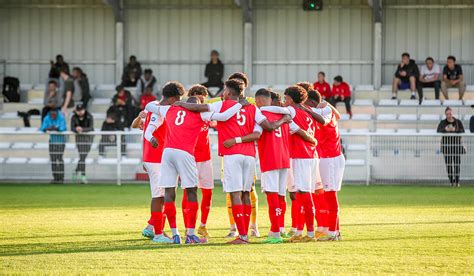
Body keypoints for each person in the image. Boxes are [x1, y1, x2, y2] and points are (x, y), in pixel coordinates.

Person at [178, 79, 290, 244]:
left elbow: (197, 108)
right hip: (250, 155)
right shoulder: (252, 108)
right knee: (246, 194)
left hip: (232, 155)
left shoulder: (221, 105)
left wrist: (179, 104)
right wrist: (284, 119)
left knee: (235, 194)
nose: (223, 93)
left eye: (224, 90)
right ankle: (246, 235)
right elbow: (268, 127)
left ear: (229, 93)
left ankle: (242, 236)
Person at [145, 81, 245, 244]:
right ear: (197, 104)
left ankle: (175, 234)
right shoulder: (201, 113)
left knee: (169, 192)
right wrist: (239, 105)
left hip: (167, 152)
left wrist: (174, 103)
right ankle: (191, 234)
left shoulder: (170, 108)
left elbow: (150, 106)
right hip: (185, 154)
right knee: (191, 191)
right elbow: (224, 116)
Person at [224, 72, 261, 238]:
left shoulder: (225, 104)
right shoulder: (251, 106)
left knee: (242, 192)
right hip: (246, 154)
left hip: (236, 154)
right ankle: (238, 229)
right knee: (241, 193)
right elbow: (263, 126)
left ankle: (248, 230)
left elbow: (205, 110)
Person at [304, 89, 345, 241]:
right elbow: (338, 115)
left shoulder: (326, 113)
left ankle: (333, 233)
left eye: (307, 103)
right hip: (327, 158)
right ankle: (336, 231)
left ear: (312, 103)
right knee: (326, 195)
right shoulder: (326, 109)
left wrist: (307, 108)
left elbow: (324, 119)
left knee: (330, 195)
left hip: (331, 158)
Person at [181, 85, 215, 238]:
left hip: (205, 158)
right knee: (188, 193)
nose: (203, 99)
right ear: (194, 96)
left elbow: (217, 122)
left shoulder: (207, 113)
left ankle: (202, 225)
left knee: (207, 192)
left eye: (204, 96)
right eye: (201, 95)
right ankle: (188, 226)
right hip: (189, 158)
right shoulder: (185, 113)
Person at [437, 107, 465, 187]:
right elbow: (438, 130)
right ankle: (451, 181)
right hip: (446, 147)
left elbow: (462, 131)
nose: (449, 115)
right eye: (447, 114)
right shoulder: (443, 122)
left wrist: (454, 130)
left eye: (450, 114)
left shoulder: (458, 122)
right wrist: (446, 129)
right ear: (445, 115)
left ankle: (457, 181)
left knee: (457, 164)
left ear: (452, 113)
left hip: (457, 146)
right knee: (448, 164)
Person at [40, 109, 67, 184]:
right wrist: (48, 128)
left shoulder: (61, 117)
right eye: (51, 115)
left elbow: (63, 128)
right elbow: (42, 128)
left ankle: (61, 178)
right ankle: (55, 178)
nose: (52, 116)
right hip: (52, 141)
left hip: (61, 142)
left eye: (54, 115)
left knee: (59, 159)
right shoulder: (47, 117)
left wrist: (53, 128)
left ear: (56, 113)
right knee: (53, 160)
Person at [71, 104, 94, 184]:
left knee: (82, 157)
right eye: (78, 110)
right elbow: (72, 128)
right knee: (82, 157)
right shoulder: (74, 117)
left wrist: (82, 129)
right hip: (79, 139)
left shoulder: (89, 116)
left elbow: (91, 128)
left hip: (88, 139)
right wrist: (76, 129)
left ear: (84, 109)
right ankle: (83, 176)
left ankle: (76, 171)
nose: (80, 112)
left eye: (81, 110)